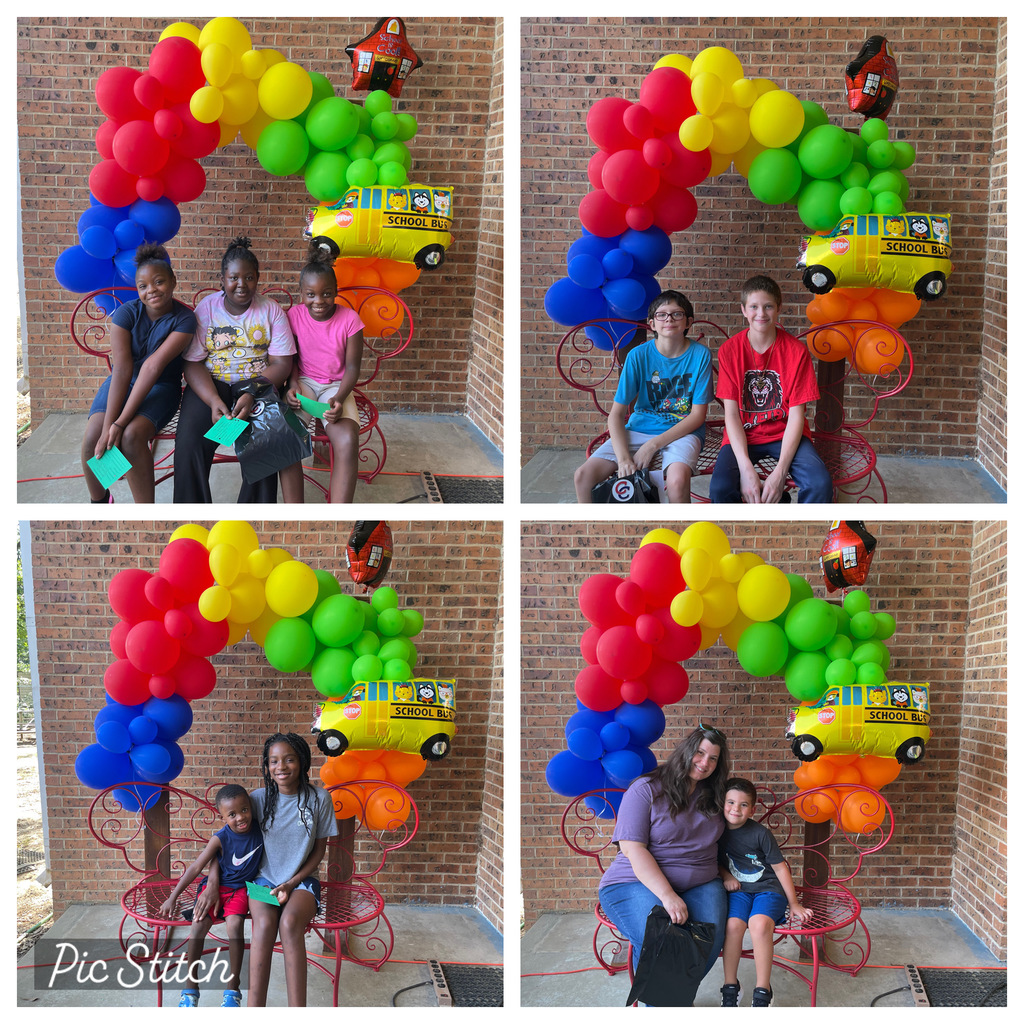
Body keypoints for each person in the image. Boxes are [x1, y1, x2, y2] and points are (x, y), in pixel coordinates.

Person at [202, 733, 338, 1007]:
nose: (281, 767)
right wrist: (213, 882)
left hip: (302, 883)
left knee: (289, 923)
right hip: (261, 882)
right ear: (267, 766)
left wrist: (291, 883)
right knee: (264, 925)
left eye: (289, 759)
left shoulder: (319, 798)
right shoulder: (257, 800)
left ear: (302, 761)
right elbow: (226, 844)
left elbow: (319, 851)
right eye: (274, 761)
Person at [597, 724, 731, 994]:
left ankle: (676, 997)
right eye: (700, 752)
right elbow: (633, 849)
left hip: (702, 882)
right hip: (634, 882)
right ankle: (662, 1005)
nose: (705, 763)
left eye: (713, 758)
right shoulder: (646, 788)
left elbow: (733, 837)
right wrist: (668, 895)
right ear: (686, 750)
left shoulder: (716, 796)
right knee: (658, 937)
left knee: (711, 937)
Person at [172, 236, 298, 503]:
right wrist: (213, 400)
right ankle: (191, 514)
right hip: (212, 384)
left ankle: (251, 515)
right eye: (234, 278)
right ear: (222, 279)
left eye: (249, 277)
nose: (242, 284)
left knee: (265, 440)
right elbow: (192, 362)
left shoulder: (271, 311)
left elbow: (282, 364)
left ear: (258, 278)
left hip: (258, 383)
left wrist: (252, 392)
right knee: (189, 441)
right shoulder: (207, 309)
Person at [82, 244, 195, 503]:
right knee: (93, 437)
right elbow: (122, 369)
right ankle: (100, 501)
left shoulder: (185, 319)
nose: (151, 290)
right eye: (143, 286)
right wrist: (109, 427)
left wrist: (119, 424)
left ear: (173, 281)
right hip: (123, 382)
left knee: (131, 437)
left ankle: (145, 512)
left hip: (161, 387)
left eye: (159, 282)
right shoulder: (126, 313)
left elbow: (153, 367)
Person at [574, 290, 712, 504]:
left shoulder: (700, 355)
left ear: (688, 322)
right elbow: (616, 415)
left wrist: (652, 446)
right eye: (662, 314)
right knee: (582, 477)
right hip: (639, 428)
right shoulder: (638, 356)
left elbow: (697, 416)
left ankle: (681, 525)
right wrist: (623, 459)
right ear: (652, 324)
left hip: (683, 431)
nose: (669, 319)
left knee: (676, 482)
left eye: (677, 314)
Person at [709, 274, 833, 503]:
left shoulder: (796, 352)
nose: (761, 313)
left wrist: (780, 472)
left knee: (819, 484)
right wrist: (746, 469)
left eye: (768, 306)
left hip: (785, 433)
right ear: (743, 310)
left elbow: (797, 415)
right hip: (744, 434)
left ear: (778, 309)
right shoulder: (729, 351)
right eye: (754, 307)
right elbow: (732, 415)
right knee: (720, 488)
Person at [155, 784, 264, 1008]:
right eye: (232, 814)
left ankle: (233, 989)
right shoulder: (220, 838)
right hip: (216, 889)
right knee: (197, 926)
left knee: (235, 926)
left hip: (241, 890)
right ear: (222, 817)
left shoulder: (260, 829)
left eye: (244, 810)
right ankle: (190, 989)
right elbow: (196, 867)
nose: (240, 817)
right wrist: (173, 897)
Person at [717, 777, 813, 1007]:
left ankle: (763, 990)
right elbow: (711, 860)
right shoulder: (715, 831)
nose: (736, 809)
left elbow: (780, 868)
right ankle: (730, 986)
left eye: (743, 804)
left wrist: (794, 903)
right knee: (732, 926)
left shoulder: (760, 834)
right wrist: (726, 875)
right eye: (731, 802)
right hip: (739, 890)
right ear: (722, 803)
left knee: (759, 924)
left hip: (769, 890)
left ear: (752, 809)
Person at [282, 242, 365, 503]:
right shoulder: (294, 316)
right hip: (305, 383)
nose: (319, 301)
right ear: (301, 293)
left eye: (327, 294)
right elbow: (291, 357)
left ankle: (339, 514)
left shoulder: (350, 320)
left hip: (337, 386)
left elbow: (353, 367)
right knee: (286, 435)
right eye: (311, 294)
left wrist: (339, 398)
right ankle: (295, 512)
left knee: (347, 441)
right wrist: (292, 384)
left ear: (336, 291)